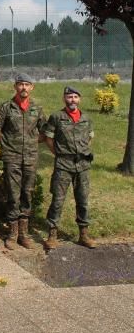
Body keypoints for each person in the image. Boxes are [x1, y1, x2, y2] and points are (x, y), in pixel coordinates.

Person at [0, 73, 46, 249]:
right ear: (15, 87)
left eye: (27, 85)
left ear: (32, 87)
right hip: (12, 158)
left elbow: (45, 132)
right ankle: (12, 233)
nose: (23, 88)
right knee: (13, 194)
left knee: (27, 193)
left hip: (30, 157)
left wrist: (30, 141)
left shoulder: (37, 108)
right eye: (20, 84)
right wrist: (8, 142)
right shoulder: (6, 107)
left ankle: (24, 233)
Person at [44, 86, 96, 250]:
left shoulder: (86, 118)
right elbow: (48, 139)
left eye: (75, 97)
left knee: (83, 201)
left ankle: (84, 234)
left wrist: (82, 151)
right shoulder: (57, 117)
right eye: (69, 97)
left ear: (79, 99)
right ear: (64, 99)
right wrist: (59, 154)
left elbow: (90, 138)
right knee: (58, 200)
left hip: (83, 166)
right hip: (63, 165)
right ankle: (52, 234)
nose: (72, 100)